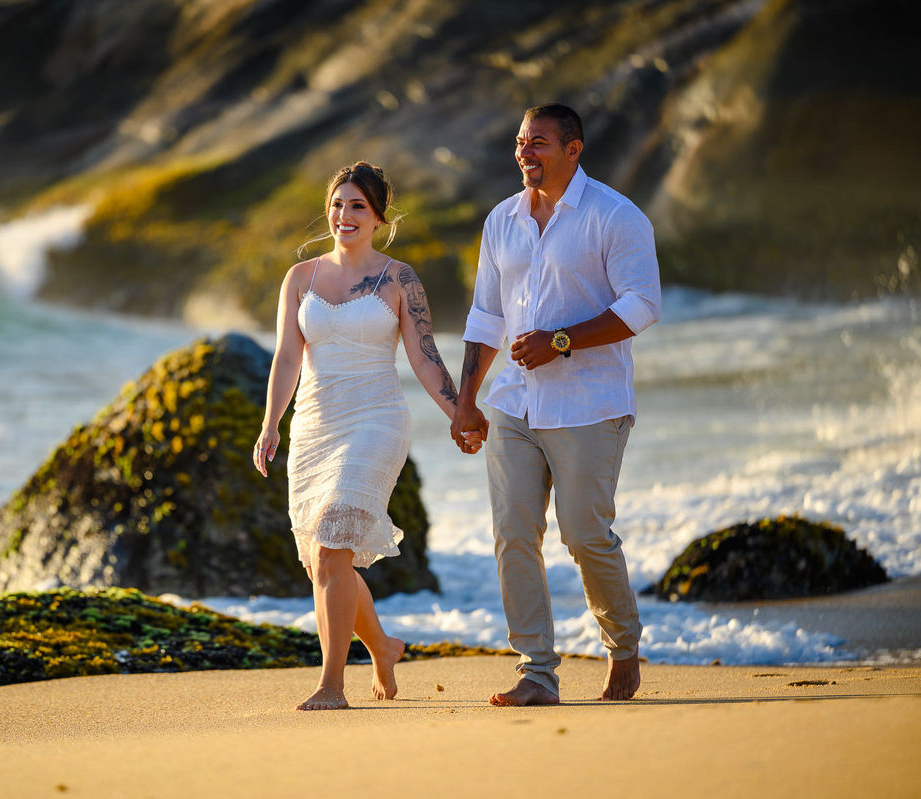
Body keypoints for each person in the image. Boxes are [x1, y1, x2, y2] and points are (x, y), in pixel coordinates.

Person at [450, 103, 662, 705]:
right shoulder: (502, 220)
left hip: (589, 404)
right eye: (521, 142)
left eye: (538, 142)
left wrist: (561, 341)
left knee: (585, 533)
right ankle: (536, 672)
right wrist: (466, 401)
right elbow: (486, 316)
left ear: (574, 149)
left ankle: (623, 646)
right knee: (513, 533)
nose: (525, 152)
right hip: (513, 404)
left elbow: (641, 305)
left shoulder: (615, 216)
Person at [254, 161, 477, 711]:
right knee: (323, 562)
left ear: (379, 217)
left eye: (357, 206)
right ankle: (383, 646)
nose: (344, 215)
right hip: (314, 426)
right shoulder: (300, 278)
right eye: (337, 204)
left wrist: (461, 412)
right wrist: (270, 424)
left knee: (333, 547)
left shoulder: (399, 279)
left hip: (376, 420)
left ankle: (331, 685)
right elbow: (287, 358)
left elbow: (424, 357)